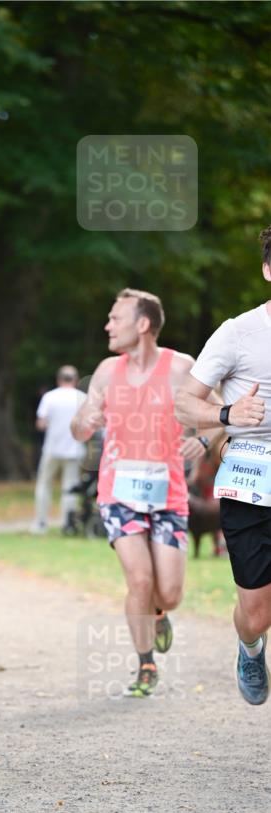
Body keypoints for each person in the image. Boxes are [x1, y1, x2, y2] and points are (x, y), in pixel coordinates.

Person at [71, 289, 221, 697]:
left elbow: (222, 415)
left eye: (115, 318)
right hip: (118, 493)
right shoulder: (105, 371)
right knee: (139, 579)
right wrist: (85, 418)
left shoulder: (181, 369)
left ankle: (159, 613)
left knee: (169, 593)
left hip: (169, 493)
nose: (108, 325)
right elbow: (78, 429)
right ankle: (145, 666)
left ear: (142, 324)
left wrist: (205, 443)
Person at [175, 226, 271, 706]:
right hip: (250, 480)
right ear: (268, 270)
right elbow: (183, 403)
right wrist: (229, 415)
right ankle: (251, 646)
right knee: (256, 613)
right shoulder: (238, 333)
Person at [30, 366, 85, 535]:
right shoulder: (82, 397)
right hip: (74, 450)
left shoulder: (50, 397)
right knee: (70, 488)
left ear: (59, 380)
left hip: (52, 449)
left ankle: (41, 523)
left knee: (44, 484)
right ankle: (67, 524)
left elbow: (41, 423)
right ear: (75, 380)